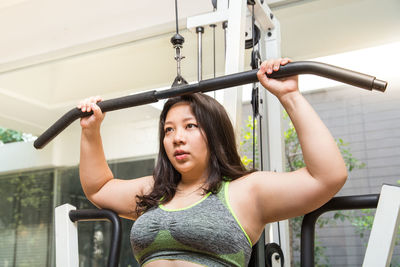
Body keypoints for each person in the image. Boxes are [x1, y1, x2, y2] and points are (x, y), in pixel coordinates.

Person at [78, 58, 348, 267]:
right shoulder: (155, 191)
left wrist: (289, 96)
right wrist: (90, 131)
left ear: (215, 133)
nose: (176, 138)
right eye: (168, 130)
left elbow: (327, 176)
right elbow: (99, 188)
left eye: (190, 126)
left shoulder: (244, 191)